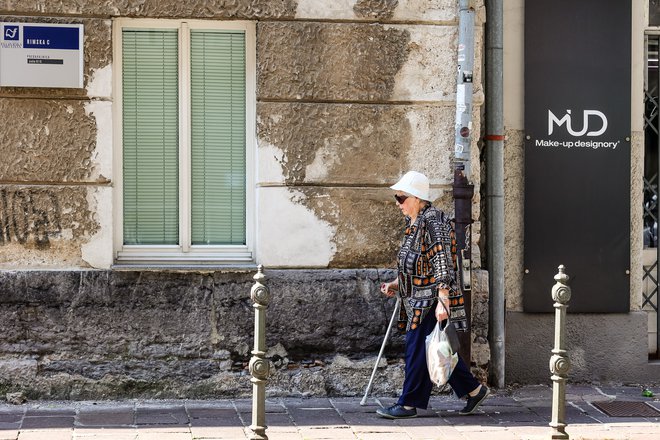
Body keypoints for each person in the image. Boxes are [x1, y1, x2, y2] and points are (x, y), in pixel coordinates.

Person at [376, 170, 489, 419]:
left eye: (401, 198)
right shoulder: (414, 223)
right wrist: (396, 283)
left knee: (417, 348)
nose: (398, 204)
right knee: (436, 348)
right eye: (397, 198)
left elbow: (442, 263)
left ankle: (408, 404)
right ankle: (473, 390)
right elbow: (414, 263)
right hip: (416, 297)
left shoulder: (433, 222)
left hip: (430, 299)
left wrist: (443, 300)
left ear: (417, 197)